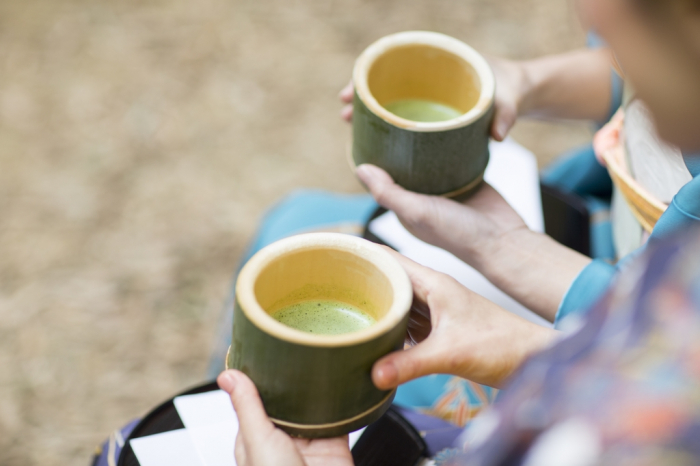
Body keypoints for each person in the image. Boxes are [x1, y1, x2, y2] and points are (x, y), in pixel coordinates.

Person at [218, 0, 700, 463]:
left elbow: (644, 337)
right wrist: (525, 80)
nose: (590, 13)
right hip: (598, 251)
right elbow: (649, 71)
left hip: (592, 311)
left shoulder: (630, 430)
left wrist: (514, 317)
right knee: (292, 223)